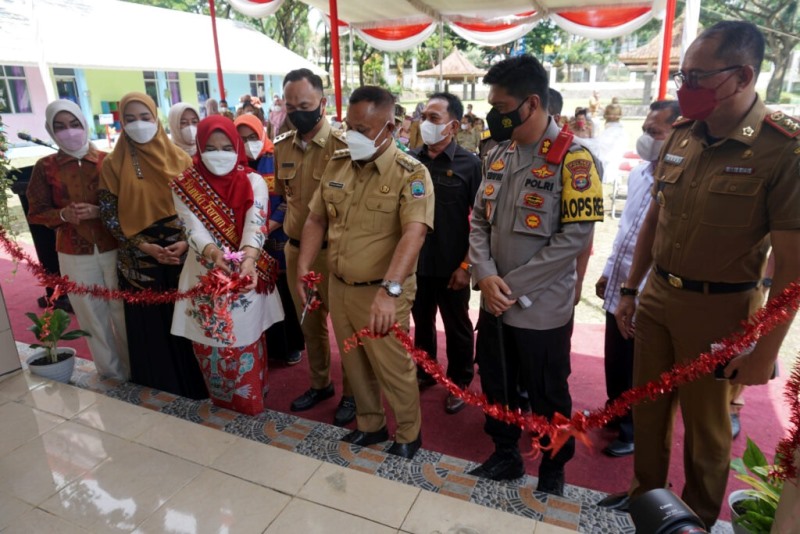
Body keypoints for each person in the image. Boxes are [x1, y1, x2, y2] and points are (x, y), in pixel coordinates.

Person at [600, 22, 800, 528]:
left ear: (742, 77)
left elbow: (794, 267)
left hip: (723, 311)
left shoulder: (782, 149)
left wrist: (767, 352)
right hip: (659, 295)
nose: (684, 88)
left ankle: (694, 521)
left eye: (697, 77)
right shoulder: (683, 136)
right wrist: (630, 289)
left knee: (706, 430)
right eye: (682, 75)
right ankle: (647, 501)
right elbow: (654, 217)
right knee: (647, 410)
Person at [466, 55, 603, 496]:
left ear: (530, 103)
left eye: (501, 106)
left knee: (548, 393)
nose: (495, 114)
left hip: (540, 307)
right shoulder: (499, 152)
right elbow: (479, 221)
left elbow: (573, 241)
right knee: (496, 382)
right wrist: (486, 276)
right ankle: (504, 453)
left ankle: (552, 466)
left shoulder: (576, 160)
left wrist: (512, 288)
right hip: (493, 301)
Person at [296, 85, 434, 459]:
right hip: (339, 287)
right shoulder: (338, 163)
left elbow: (414, 233)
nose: (352, 135)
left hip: (381, 293)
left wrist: (389, 291)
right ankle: (370, 426)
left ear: (390, 127)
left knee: (392, 366)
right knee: (353, 364)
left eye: (363, 129)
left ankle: (409, 432)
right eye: (349, 126)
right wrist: (303, 269)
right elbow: (315, 218)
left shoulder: (411, 173)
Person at [170, 116, 283, 415]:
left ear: (237, 146)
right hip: (203, 275)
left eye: (225, 147)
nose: (218, 154)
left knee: (246, 339)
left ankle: (252, 400)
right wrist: (213, 254)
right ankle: (221, 401)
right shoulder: (185, 186)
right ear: (198, 147)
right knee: (209, 341)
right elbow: (192, 228)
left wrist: (248, 258)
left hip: (245, 274)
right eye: (210, 147)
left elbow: (256, 223)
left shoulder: (253, 180)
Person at [99, 92, 208, 399]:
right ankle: (158, 387)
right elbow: (109, 215)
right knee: (150, 326)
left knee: (185, 318)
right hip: (140, 260)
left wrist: (186, 243)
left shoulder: (180, 159)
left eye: (145, 118)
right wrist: (145, 246)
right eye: (130, 119)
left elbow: (199, 210)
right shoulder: (112, 163)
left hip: (181, 253)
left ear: (156, 119)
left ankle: (195, 385)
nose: (139, 124)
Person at [594, 100, 680, 458]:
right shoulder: (640, 173)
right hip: (621, 283)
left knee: (640, 363)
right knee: (615, 356)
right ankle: (616, 412)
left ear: (676, 134)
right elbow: (626, 232)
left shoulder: (681, 178)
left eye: (654, 133)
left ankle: (633, 429)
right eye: (645, 130)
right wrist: (608, 271)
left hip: (649, 291)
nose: (647, 139)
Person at [274, 68, 356, 426]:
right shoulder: (282, 147)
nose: (297, 112)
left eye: (304, 104)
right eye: (290, 106)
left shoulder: (346, 146)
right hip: (295, 251)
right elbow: (284, 197)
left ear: (322, 102)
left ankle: (354, 394)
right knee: (310, 323)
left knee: (347, 329)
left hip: (336, 253)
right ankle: (320, 383)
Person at [26, 99, 129, 381]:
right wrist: (62, 214)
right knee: (91, 315)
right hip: (73, 251)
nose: (69, 131)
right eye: (59, 127)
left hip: (114, 247)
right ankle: (112, 375)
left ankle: (135, 372)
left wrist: (100, 211)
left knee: (124, 311)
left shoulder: (109, 161)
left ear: (84, 123)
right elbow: (36, 212)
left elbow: (131, 203)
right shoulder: (45, 167)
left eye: (73, 124)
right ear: (50, 130)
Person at [410, 92, 481, 414]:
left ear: (452, 125)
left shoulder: (470, 165)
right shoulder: (411, 161)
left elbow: (482, 223)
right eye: (424, 116)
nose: (426, 124)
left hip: (454, 266)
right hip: (417, 263)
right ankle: (426, 371)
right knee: (421, 322)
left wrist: (467, 265)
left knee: (457, 327)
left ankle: (459, 381)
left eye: (434, 119)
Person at [234, 113, 303, 366]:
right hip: (244, 243)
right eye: (241, 139)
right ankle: (265, 346)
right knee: (256, 294)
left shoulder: (276, 158)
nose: (248, 142)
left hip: (277, 240)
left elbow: (289, 199)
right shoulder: (232, 165)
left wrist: (267, 226)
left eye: (252, 137)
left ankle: (290, 345)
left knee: (283, 294)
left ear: (262, 133)